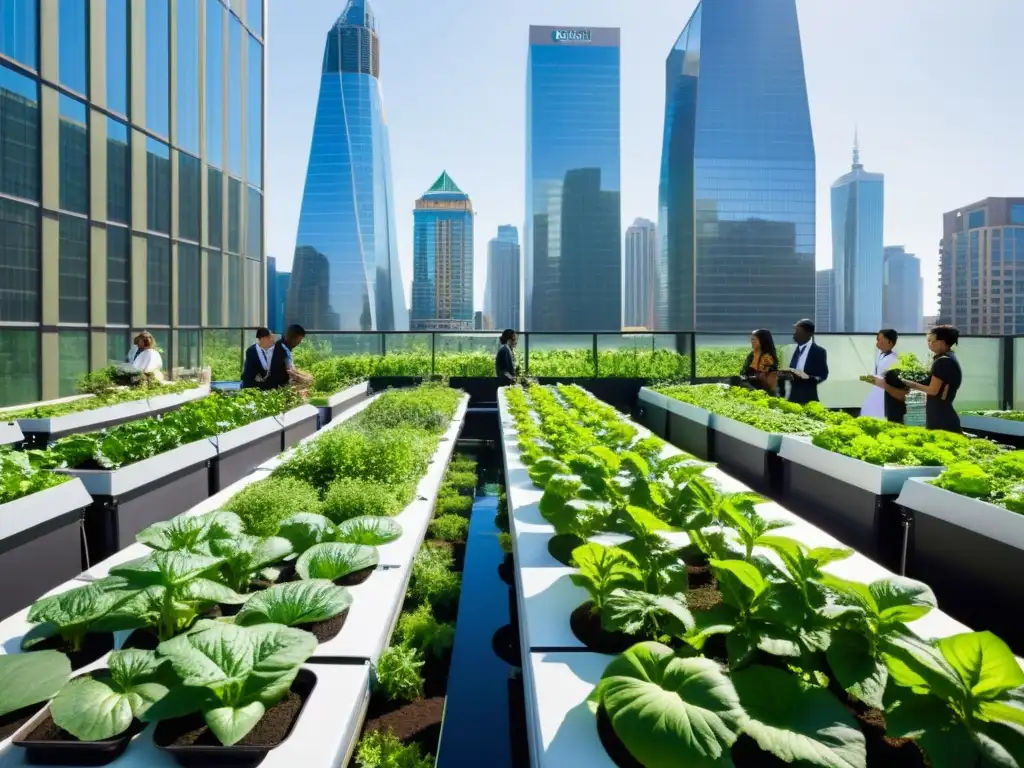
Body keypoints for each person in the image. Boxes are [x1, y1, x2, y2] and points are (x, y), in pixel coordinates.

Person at [903, 325, 962, 433]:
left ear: (943, 342)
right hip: (942, 413)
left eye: (932, 341)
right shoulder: (949, 358)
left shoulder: (943, 362)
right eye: (928, 341)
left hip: (940, 417)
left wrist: (909, 383)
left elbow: (933, 391)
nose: (929, 344)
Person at [783, 319, 828, 404]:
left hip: (809, 398)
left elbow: (823, 375)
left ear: (809, 334)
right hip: (793, 398)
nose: (795, 334)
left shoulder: (819, 352)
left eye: (799, 332)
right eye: (796, 331)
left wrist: (808, 377)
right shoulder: (793, 349)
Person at [859, 329, 901, 419]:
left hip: (883, 394)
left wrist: (866, 378)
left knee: (878, 414)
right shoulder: (880, 354)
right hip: (876, 391)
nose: (877, 342)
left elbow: (882, 380)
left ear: (889, 342)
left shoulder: (894, 360)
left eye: (879, 340)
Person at [740, 329, 779, 395]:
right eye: (752, 339)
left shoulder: (768, 357)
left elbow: (766, 378)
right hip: (749, 384)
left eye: (755, 340)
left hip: (762, 389)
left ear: (763, 341)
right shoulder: (752, 355)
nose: (752, 342)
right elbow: (743, 372)